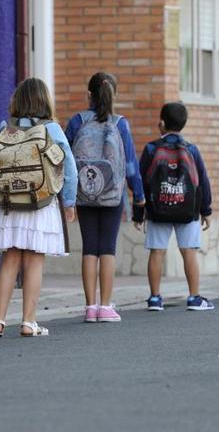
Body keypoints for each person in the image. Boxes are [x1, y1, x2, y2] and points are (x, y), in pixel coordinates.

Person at [0, 78, 77, 338]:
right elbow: (69, 168)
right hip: (41, 201)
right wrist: (69, 202)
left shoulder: (5, 127)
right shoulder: (52, 129)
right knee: (34, 261)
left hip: (8, 204)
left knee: (10, 260)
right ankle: (28, 322)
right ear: (44, 101)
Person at [65, 72, 145, 323]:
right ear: (115, 95)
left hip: (84, 193)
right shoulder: (120, 123)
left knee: (90, 249)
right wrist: (139, 196)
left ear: (88, 95)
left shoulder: (77, 121)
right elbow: (130, 164)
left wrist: (65, 195)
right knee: (107, 249)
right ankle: (106, 306)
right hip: (113, 194)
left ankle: (90, 307)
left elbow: (66, 160)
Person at [136, 102, 215, 312]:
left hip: (157, 209)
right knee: (189, 252)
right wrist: (206, 210)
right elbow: (203, 181)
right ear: (184, 124)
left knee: (157, 252)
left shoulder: (152, 149)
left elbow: (141, 181)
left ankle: (154, 298)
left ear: (161, 124)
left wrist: (138, 213)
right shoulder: (191, 149)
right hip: (187, 209)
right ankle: (194, 297)